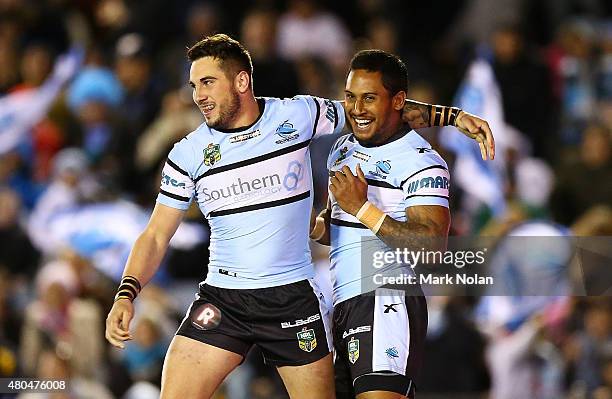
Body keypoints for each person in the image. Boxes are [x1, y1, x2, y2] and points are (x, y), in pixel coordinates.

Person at [105, 34, 493, 399]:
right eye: (194, 86)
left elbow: (375, 112)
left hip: (292, 299)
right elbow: (155, 235)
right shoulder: (188, 153)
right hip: (224, 297)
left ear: (241, 81)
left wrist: (452, 117)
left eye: (207, 83)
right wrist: (127, 292)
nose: (198, 96)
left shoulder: (299, 115)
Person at [310, 50, 453, 398]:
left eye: (369, 98)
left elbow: (433, 249)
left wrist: (362, 208)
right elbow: (338, 225)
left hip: (388, 299)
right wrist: (313, 227)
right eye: (351, 97)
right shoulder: (341, 149)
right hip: (342, 303)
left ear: (399, 100)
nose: (357, 109)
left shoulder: (422, 161)